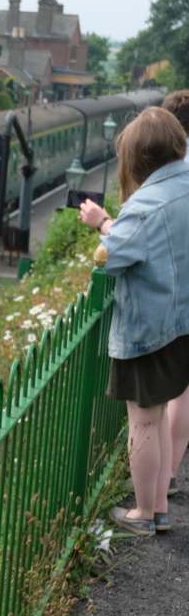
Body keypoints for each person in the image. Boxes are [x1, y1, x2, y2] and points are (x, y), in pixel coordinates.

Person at [79, 106, 189, 536]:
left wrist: (101, 222)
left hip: (148, 330)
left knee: (144, 420)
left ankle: (144, 514)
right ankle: (158, 505)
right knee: (159, 416)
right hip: (181, 324)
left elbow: (111, 258)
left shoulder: (144, 206)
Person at [161, 90, 189, 495]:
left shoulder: (174, 169)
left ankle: (161, 480)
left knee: (173, 391)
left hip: (177, 291)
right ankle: (170, 469)